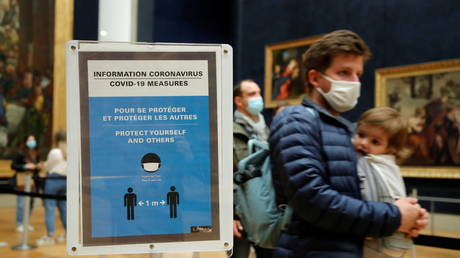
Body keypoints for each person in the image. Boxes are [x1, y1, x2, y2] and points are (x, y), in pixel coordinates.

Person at [269, 30, 428, 257]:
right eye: (344, 72)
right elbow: (313, 200)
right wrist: (394, 217)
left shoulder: (347, 129)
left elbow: (361, 194)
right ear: (315, 78)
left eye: (357, 74)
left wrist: (409, 216)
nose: (354, 82)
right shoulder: (295, 119)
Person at [353, 107, 414, 257]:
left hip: (379, 241)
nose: (364, 143)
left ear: (391, 149)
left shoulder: (369, 164)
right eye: (361, 135)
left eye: (375, 141)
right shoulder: (387, 165)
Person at [233, 79, 273, 258]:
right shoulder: (228, 131)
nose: (258, 98)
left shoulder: (268, 130)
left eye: (258, 93)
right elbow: (223, 175)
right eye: (251, 94)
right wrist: (231, 213)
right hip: (240, 212)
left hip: (266, 209)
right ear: (238, 101)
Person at [36, 130, 67, 245]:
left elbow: (48, 167)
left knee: (50, 208)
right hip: (65, 182)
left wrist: (42, 166)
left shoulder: (55, 152)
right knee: (64, 208)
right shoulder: (70, 151)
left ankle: (50, 236)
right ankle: (66, 234)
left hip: (53, 180)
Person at [11, 134, 42, 232]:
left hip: (33, 182)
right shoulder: (20, 153)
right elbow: (13, 166)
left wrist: (38, 166)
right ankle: (19, 223)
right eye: (30, 140)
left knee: (30, 203)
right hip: (22, 181)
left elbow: (38, 165)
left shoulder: (37, 153)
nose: (32, 142)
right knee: (21, 203)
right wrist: (25, 166)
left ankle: (26, 222)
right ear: (25, 142)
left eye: (33, 140)